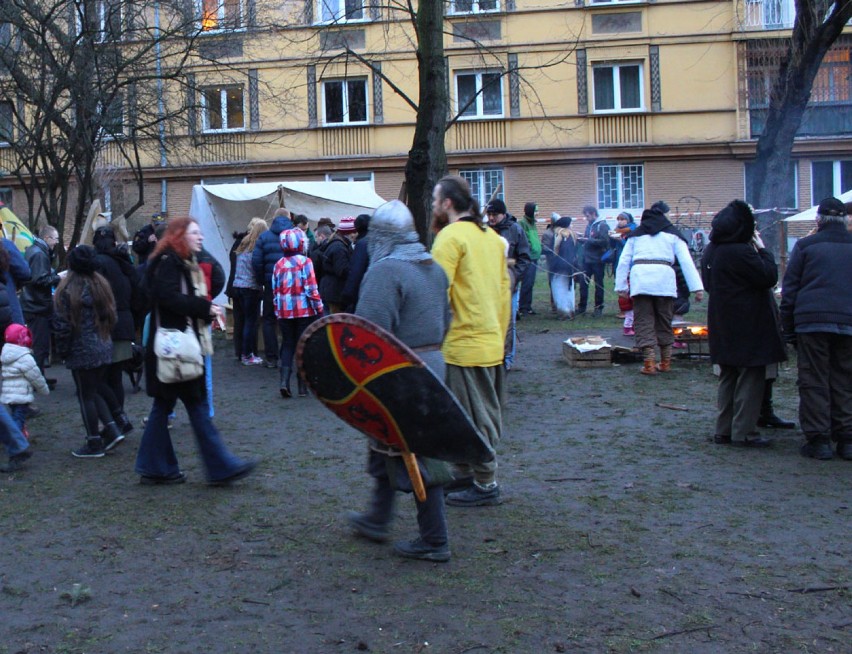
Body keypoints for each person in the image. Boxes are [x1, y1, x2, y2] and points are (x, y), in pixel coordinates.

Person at [347, 200, 453, 561]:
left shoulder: (385, 272)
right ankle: (377, 518)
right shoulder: (434, 268)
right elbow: (446, 322)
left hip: (398, 371)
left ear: (381, 237)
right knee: (384, 439)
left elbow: (368, 332)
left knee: (417, 452)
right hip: (433, 365)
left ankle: (435, 539)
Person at [135, 217, 257, 485]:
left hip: (173, 348)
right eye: (195, 233)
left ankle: (157, 466)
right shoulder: (169, 263)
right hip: (175, 348)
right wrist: (203, 308)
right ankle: (218, 467)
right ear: (180, 235)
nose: (200, 237)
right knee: (192, 407)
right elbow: (168, 299)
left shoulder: (173, 261)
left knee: (169, 407)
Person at [432, 175, 510, 507]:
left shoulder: (450, 237)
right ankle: (464, 472)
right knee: (462, 414)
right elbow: (505, 291)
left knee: (473, 417)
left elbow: (436, 292)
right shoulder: (491, 237)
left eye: (436, 200)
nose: (434, 206)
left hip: (465, 344)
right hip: (489, 339)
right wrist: (501, 335)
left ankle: (485, 483)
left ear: (447, 203)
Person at [701, 200, 785, 449]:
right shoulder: (743, 251)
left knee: (728, 375)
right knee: (751, 376)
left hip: (722, 320)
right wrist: (763, 250)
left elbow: (708, 285)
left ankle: (723, 430)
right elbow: (768, 276)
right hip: (749, 322)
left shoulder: (711, 251)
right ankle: (744, 432)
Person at [780, 196, 852, 461]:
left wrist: (788, 328)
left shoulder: (806, 246)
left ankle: (819, 440)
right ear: (844, 219)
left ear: (818, 220)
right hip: (848, 321)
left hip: (811, 322)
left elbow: (790, 290)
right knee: (845, 378)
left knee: (813, 379)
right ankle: (847, 439)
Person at [52, 245, 125, 458]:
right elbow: (113, 316)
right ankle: (113, 428)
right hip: (103, 345)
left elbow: (62, 325)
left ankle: (94, 442)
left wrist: (63, 352)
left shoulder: (67, 291)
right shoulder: (101, 285)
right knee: (93, 392)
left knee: (86, 396)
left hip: (82, 349)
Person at [615, 201, 704, 375]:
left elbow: (624, 261)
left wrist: (621, 287)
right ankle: (665, 362)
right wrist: (697, 288)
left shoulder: (635, 236)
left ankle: (649, 363)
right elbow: (686, 262)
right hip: (664, 280)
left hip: (641, 281)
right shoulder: (673, 235)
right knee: (664, 319)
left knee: (643, 321)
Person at [92, 225, 139, 435]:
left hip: (104, 324)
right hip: (125, 323)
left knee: (101, 378)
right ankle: (119, 418)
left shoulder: (97, 264)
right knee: (116, 376)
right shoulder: (124, 263)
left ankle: (111, 421)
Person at [272, 227, 323, 398]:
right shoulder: (305, 262)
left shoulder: (278, 264)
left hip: (285, 313)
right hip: (304, 312)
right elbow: (311, 289)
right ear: (301, 243)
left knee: (287, 345)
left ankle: (283, 382)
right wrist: (319, 308)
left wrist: (277, 310)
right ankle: (302, 386)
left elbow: (275, 290)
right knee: (303, 347)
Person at [485, 199, 530, 370]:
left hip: (509, 286)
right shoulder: (484, 230)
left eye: (494, 215)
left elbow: (524, 259)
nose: (491, 218)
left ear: (503, 214)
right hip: (488, 286)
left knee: (508, 322)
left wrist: (513, 277)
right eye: (489, 214)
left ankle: (507, 359)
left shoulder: (515, 230)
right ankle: (492, 357)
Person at [251, 208, 294, 368]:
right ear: (289, 218)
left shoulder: (264, 237)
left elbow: (256, 261)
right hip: (291, 285)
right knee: (289, 318)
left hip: (271, 284)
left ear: (274, 218)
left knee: (269, 320)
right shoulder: (295, 236)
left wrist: (263, 279)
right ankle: (287, 355)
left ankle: (271, 357)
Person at [21, 225, 61, 384]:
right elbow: (39, 280)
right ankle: (37, 381)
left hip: (33, 304)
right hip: (37, 306)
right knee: (40, 345)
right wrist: (59, 278)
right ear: (47, 238)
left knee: (40, 343)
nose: (57, 242)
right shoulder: (39, 255)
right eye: (56, 239)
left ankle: (40, 377)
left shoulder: (34, 251)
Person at [1, 324, 49, 439]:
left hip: (8, 395)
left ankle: (19, 433)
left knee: (15, 415)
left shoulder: (5, 355)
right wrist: (44, 390)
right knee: (19, 416)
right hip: (21, 395)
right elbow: (36, 376)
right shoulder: (25, 357)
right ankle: (15, 439)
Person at [230, 218, 267, 366]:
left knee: (243, 321)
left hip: (238, 286)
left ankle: (243, 353)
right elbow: (257, 270)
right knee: (251, 323)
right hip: (250, 288)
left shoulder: (242, 246)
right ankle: (248, 355)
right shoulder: (255, 249)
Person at [319, 216, 358, 314]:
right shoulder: (339, 248)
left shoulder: (337, 244)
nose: (356, 235)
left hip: (330, 291)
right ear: (348, 233)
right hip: (335, 294)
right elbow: (342, 270)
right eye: (354, 232)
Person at [577, 205, 610, 316]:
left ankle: (598, 308)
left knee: (598, 284)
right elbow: (589, 239)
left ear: (593, 214)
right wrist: (582, 239)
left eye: (587, 216)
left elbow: (604, 241)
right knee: (583, 284)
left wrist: (589, 240)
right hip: (586, 259)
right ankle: (582, 307)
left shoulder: (603, 225)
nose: (586, 218)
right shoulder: (589, 225)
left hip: (598, 259)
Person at [548, 216, 580, 319]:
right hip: (569, 265)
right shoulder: (571, 235)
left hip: (560, 266)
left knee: (560, 288)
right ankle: (570, 310)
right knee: (568, 289)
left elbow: (556, 250)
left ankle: (564, 312)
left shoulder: (559, 234)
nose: (572, 225)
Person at [340, 213, 371, 312]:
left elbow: (356, 272)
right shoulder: (379, 241)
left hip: (362, 295)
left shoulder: (362, 244)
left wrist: (346, 297)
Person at [518, 202, 542, 316]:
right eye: (536, 211)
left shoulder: (533, 224)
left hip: (535, 257)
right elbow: (524, 240)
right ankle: (523, 307)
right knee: (526, 282)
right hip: (528, 258)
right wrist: (530, 249)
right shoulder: (522, 223)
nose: (538, 213)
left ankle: (528, 306)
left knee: (531, 283)